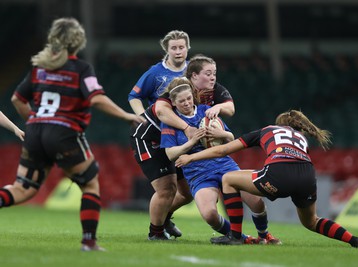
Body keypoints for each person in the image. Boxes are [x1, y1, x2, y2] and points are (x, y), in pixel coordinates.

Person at [0, 17, 145, 252]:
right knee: (89, 184)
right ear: (78, 41)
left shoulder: (40, 68)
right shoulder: (80, 68)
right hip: (64, 133)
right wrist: (126, 116)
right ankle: (89, 242)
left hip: (36, 131)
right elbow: (96, 98)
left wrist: (35, 122)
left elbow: (17, 99)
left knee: (22, 189)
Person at [175, 110, 358, 248]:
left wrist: (191, 157)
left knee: (228, 179)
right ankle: (354, 240)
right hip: (308, 177)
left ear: (279, 124)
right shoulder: (301, 138)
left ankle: (235, 236)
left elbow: (223, 150)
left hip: (278, 174)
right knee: (311, 221)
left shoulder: (267, 130)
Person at [160, 78, 281, 244]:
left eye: (189, 98)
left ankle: (264, 234)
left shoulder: (206, 111)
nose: (187, 103)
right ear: (173, 102)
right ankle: (242, 238)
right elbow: (171, 154)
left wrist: (222, 135)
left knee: (256, 200)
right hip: (198, 173)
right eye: (181, 101)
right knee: (209, 214)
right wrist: (192, 141)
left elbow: (230, 138)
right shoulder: (169, 123)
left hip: (224, 164)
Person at [127, 30, 192, 239]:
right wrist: (142, 117)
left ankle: (164, 218)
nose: (178, 51)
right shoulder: (156, 72)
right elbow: (134, 96)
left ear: (187, 47)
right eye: (174, 47)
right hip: (152, 136)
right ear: (167, 49)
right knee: (167, 188)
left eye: (181, 47)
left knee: (187, 193)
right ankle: (156, 232)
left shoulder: (193, 70)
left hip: (175, 138)